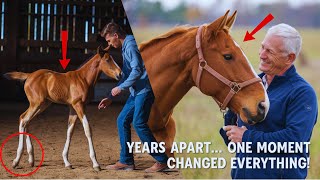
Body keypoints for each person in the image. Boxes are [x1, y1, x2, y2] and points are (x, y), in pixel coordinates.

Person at [220, 24, 317, 179]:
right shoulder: (250, 86)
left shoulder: (302, 93)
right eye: (262, 47)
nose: (262, 55)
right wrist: (230, 120)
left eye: (270, 51)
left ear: (289, 58)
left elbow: (294, 140)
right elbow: (234, 142)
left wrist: (246, 137)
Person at [97, 22, 169, 173]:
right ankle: (126, 161)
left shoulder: (130, 45)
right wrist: (111, 96)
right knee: (122, 119)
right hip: (136, 92)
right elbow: (126, 73)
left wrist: (121, 87)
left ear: (116, 35)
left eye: (109, 40)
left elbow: (136, 71)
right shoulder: (126, 46)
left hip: (145, 90)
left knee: (139, 123)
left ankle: (162, 160)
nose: (109, 44)